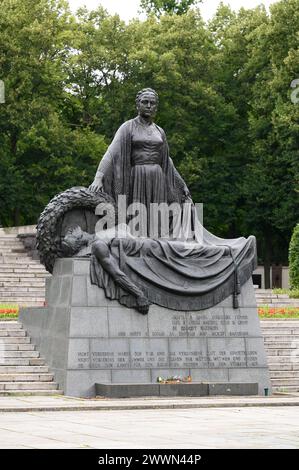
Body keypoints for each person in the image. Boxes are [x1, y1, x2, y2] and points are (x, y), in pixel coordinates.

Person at [89, 88, 190, 236]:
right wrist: (98, 178)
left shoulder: (159, 131)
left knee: (157, 219)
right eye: (145, 102)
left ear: (156, 107)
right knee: (137, 215)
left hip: (157, 178)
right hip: (137, 177)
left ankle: (156, 246)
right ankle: (137, 247)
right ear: (138, 105)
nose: (149, 105)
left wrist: (182, 184)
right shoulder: (127, 127)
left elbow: (167, 161)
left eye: (152, 103)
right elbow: (111, 153)